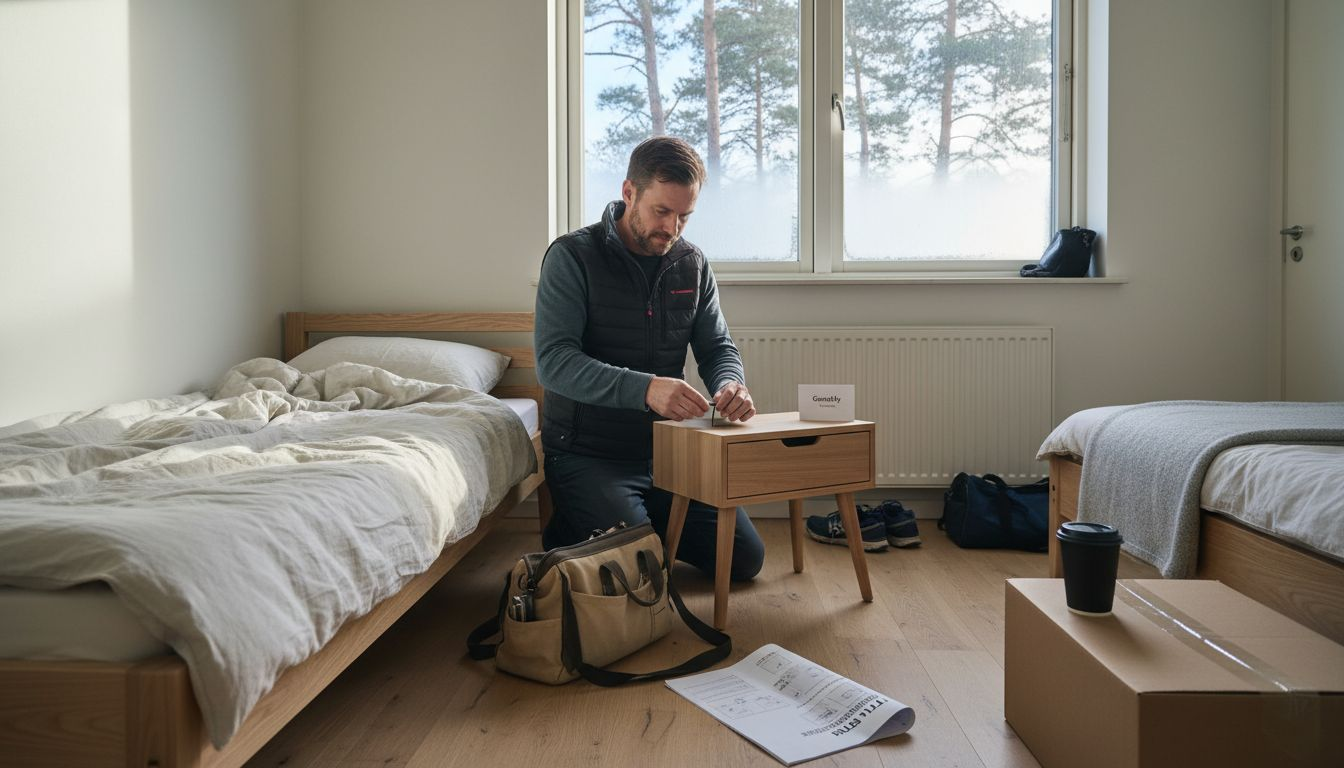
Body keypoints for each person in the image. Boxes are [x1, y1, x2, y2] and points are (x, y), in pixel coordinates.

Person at [534, 136, 765, 581]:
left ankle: (628, 530)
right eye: (662, 211)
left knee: (744, 561)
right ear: (629, 193)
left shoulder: (691, 263)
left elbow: (717, 348)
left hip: (667, 454)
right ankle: (583, 524)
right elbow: (554, 362)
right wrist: (645, 389)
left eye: (685, 216)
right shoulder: (572, 257)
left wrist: (730, 385)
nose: (672, 228)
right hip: (587, 455)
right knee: (640, 575)